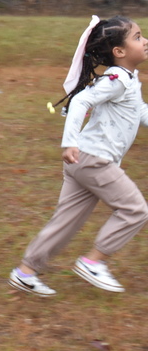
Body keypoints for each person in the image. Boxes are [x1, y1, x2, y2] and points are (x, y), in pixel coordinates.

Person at [9, 15, 148, 297]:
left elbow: (140, 112)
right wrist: (68, 142)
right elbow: (82, 100)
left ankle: (25, 272)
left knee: (65, 221)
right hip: (94, 160)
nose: (145, 41)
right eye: (137, 37)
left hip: (82, 161)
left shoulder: (127, 79)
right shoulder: (117, 79)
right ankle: (93, 261)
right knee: (135, 211)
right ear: (119, 52)